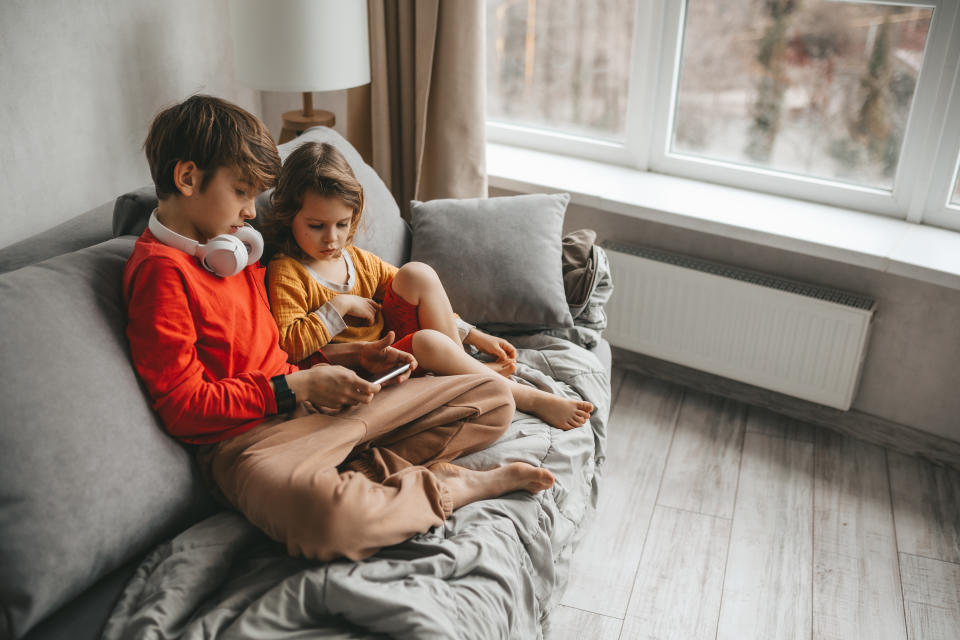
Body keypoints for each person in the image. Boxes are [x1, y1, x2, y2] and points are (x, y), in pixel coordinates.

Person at [123, 94, 555, 562]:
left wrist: (348, 359)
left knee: (492, 399)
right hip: (249, 443)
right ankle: (451, 487)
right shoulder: (161, 273)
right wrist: (295, 387)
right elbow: (183, 408)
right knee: (330, 522)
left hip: (316, 408)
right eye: (242, 192)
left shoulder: (231, 252)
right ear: (187, 178)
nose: (251, 213)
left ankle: (366, 476)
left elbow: (279, 352)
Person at [263, 141, 594, 431]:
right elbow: (289, 346)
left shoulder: (357, 259)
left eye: (342, 224)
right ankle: (522, 396)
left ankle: (464, 369)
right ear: (289, 215)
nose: (332, 237)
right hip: (361, 369)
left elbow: (423, 296)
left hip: (395, 349)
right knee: (425, 342)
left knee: (416, 273)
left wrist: (471, 333)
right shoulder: (287, 272)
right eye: (316, 226)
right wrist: (339, 307)